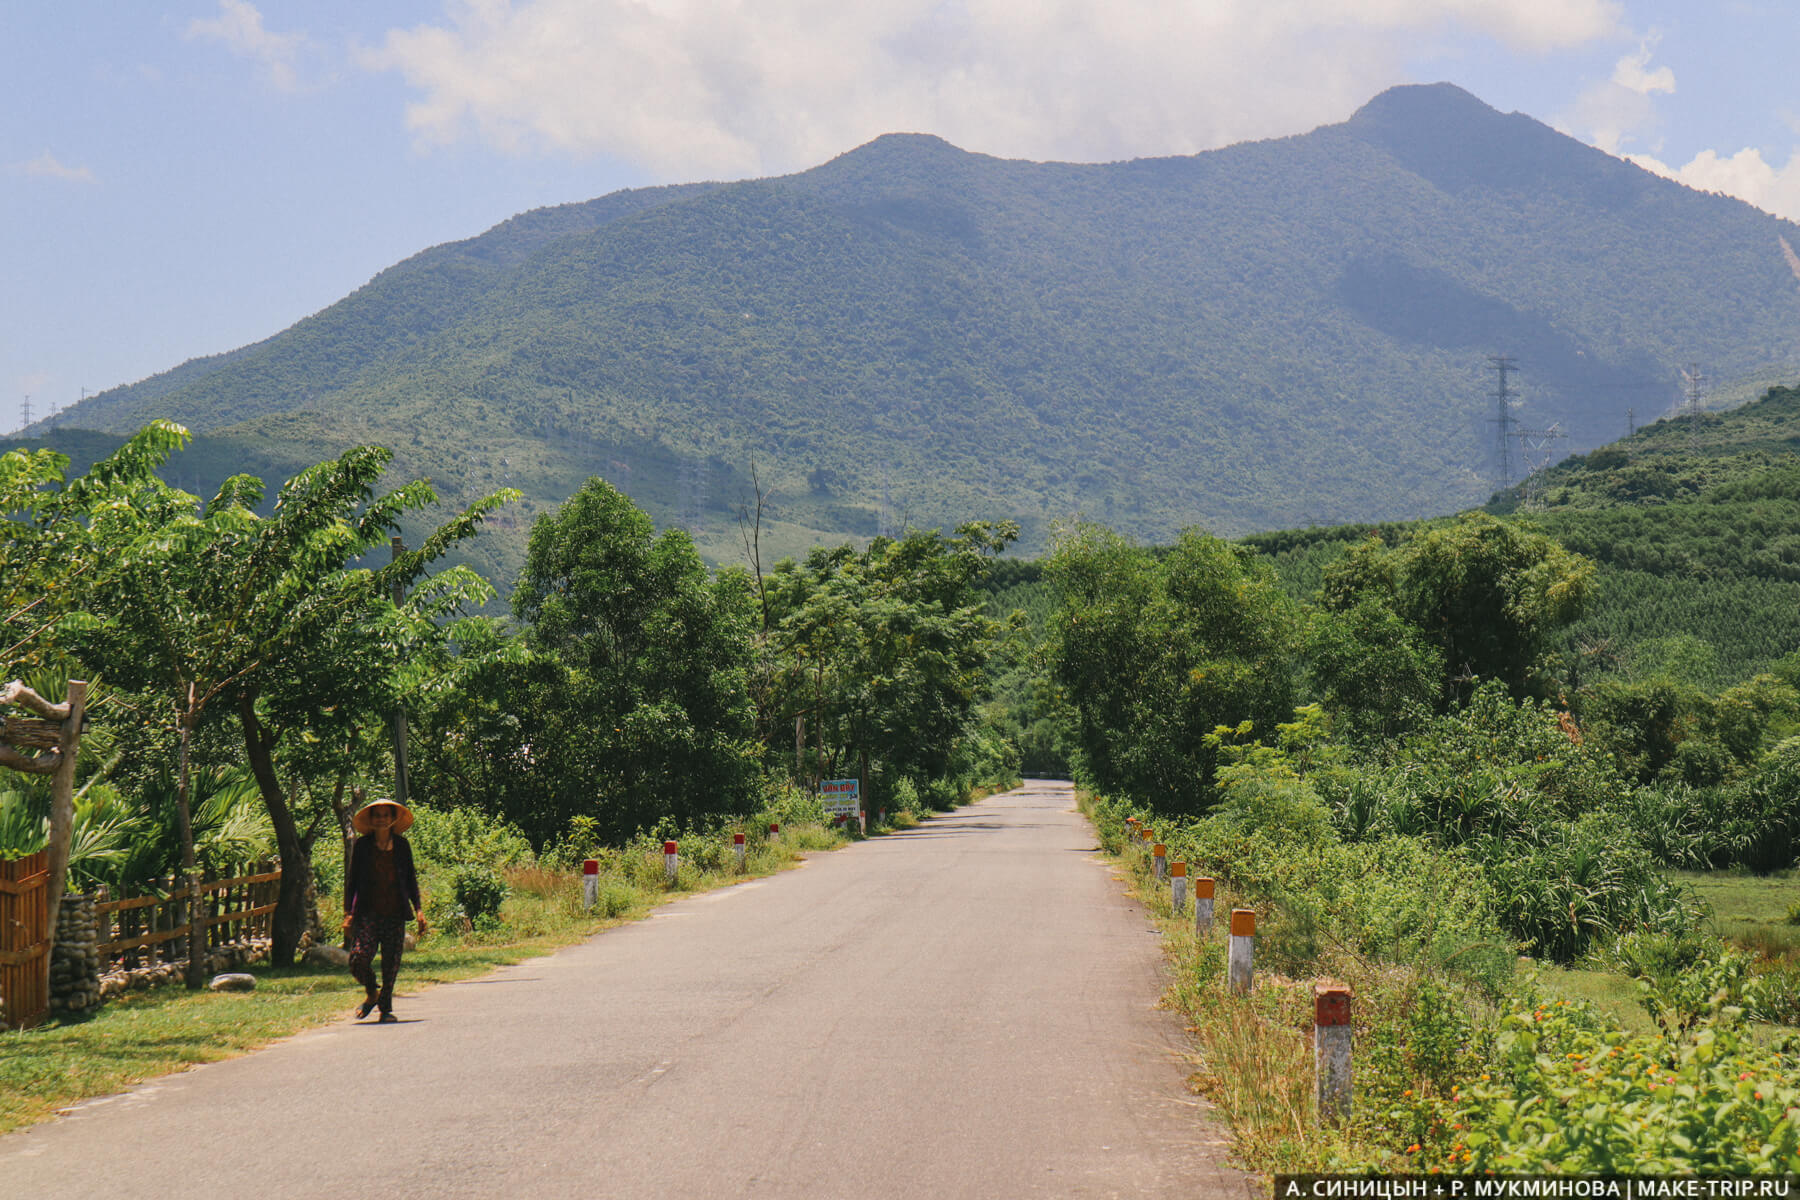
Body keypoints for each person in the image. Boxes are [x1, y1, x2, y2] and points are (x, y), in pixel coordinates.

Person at [343, 795, 427, 1022]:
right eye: (377, 816)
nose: (381, 820)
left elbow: (410, 879)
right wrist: (348, 914)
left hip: (395, 911)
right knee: (358, 958)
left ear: (392, 819)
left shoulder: (401, 846)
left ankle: (385, 1010)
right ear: (371, 820)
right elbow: (352, 881)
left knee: (391, 964)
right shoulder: (362, 846)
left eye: (385, 816)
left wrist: (418, 909)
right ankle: (372, 993)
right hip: (368, 912)